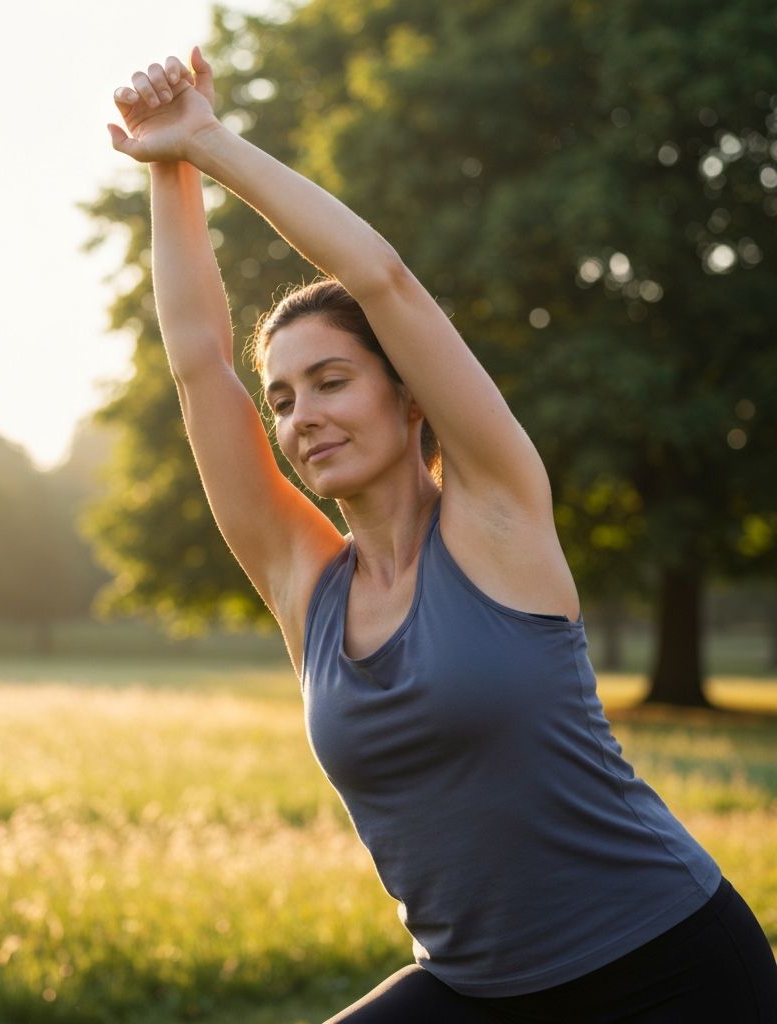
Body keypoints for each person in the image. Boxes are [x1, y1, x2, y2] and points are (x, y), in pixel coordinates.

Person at [108, 48, 777, 1023]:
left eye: (332, 381)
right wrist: (164, 170)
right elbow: (199, 362)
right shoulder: (303, 583)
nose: (303, 416)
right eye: (285, 398)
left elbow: (382, 280)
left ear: (407, 394)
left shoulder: (498, 516)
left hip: (666, 968)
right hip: (478, 992)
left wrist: (209, 141)